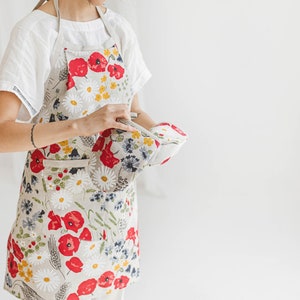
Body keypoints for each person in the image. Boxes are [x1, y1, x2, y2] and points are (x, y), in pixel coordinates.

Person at [0, 0, 187, 299]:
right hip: (55, 214)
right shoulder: (35, 31)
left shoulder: (117, 29)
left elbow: (134, 111)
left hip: (112, 216)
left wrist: (157, 137)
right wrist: (81, 125)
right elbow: (2, 132)